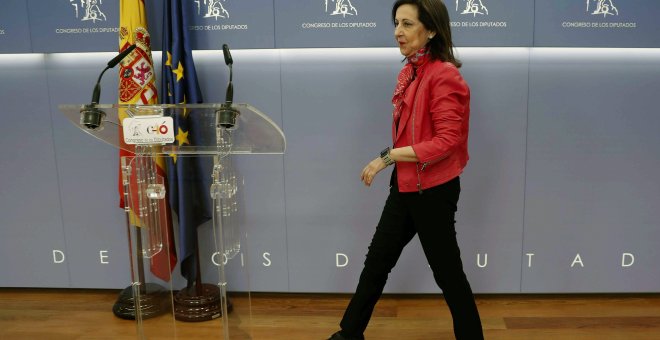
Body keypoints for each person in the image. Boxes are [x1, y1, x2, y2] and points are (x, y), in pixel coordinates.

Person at [328, 0, 483, 339]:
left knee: (449, 276)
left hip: (434, 192)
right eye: (396, 23)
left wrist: (387, 157)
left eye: (408, 24)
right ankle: (348, 334)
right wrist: (396, 164)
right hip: (406, 186)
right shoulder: (410, 72)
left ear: (431, 30)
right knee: (376, 264)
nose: (398, 31)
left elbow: (446, 141)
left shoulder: (444, 76)